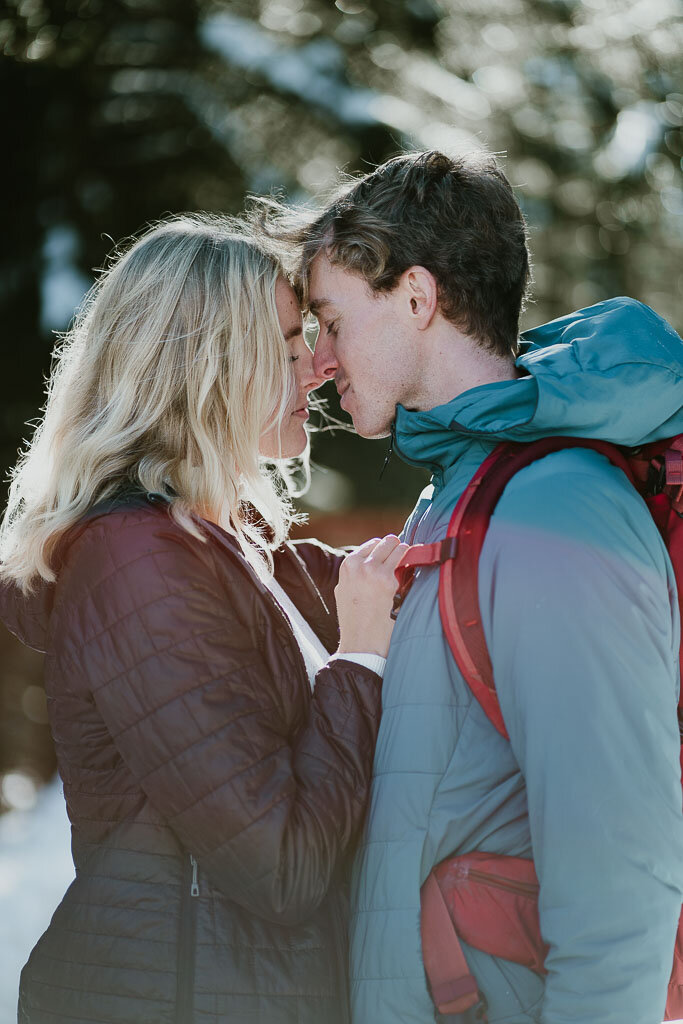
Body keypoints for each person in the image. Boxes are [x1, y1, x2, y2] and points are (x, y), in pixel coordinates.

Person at [267, 150, 683, 1023]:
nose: (321, 359)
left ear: (416, 298)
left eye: (334, 320)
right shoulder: (463, 492)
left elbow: (622, 873)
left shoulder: (553, 509)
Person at [0, 213, 408, 1024]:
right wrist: (360, 663)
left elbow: (392, 579)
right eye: (293, 343)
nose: (319, 368)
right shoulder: (137, 561)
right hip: (170, 997)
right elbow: (282, 867)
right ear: (210, 362)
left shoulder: (229, 546)